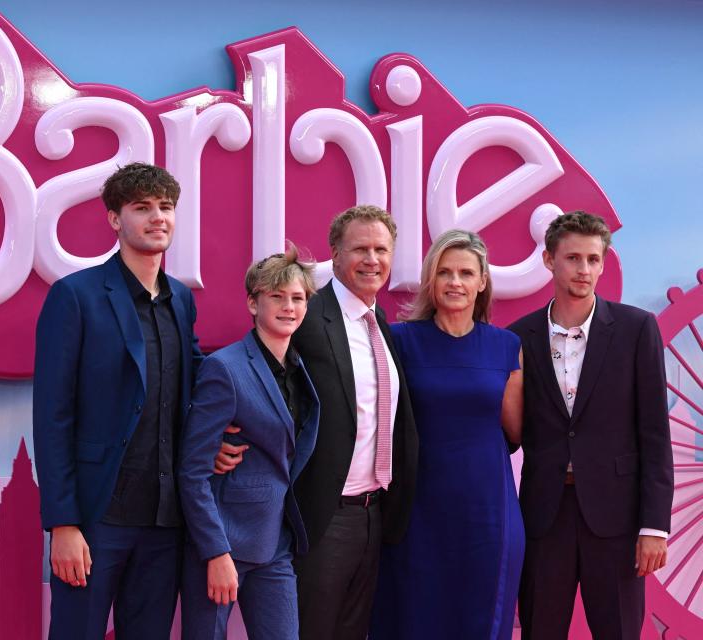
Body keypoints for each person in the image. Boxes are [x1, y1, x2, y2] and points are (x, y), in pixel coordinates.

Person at [217, 205, 419, 640]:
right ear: (335, 254)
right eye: (359, 248)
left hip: (374, 513)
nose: (372, 259)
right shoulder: (308, 315)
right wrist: (214, 434)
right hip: (321, 516)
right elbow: (249, 370)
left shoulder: (379, 321)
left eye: (381, 249)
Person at [32, 163, 202, 640]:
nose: (157, 218)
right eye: (142, 207)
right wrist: (63, 523)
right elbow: (52, 416)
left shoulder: (181, 301)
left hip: (166, 519)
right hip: (95, 517)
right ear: (114, 219)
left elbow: (197, 390)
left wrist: (227, 437)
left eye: (165, 207)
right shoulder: (76, 296)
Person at [509, 211, 673, 639]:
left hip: (617, 519)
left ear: (603, 262)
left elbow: (655, 433)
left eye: (593, 260)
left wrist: (654, 526)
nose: (584, 270)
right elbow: (508, 430)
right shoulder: (516, 337)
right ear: (549, 260)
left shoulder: (638, 329)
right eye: (573, 259)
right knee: (540, 631)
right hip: (545, 516)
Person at [369, 229, 524, 639]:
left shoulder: (506, 346)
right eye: (445, 272)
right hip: (415, 510)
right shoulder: (399, 341)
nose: (455, 282)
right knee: (413, 618)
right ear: (430, 280)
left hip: (487, 512)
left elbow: (515, 430)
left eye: (466, 273)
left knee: (480, 619)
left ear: (482, 281)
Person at [178, 246, 320, 640]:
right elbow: (193, 472)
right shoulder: (224, 368)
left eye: (296, 298)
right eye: (276, 296)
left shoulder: (300, 368)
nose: (288, 306)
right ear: (253, 303)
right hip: (223, 541)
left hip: (276, 541)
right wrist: (215, 552)